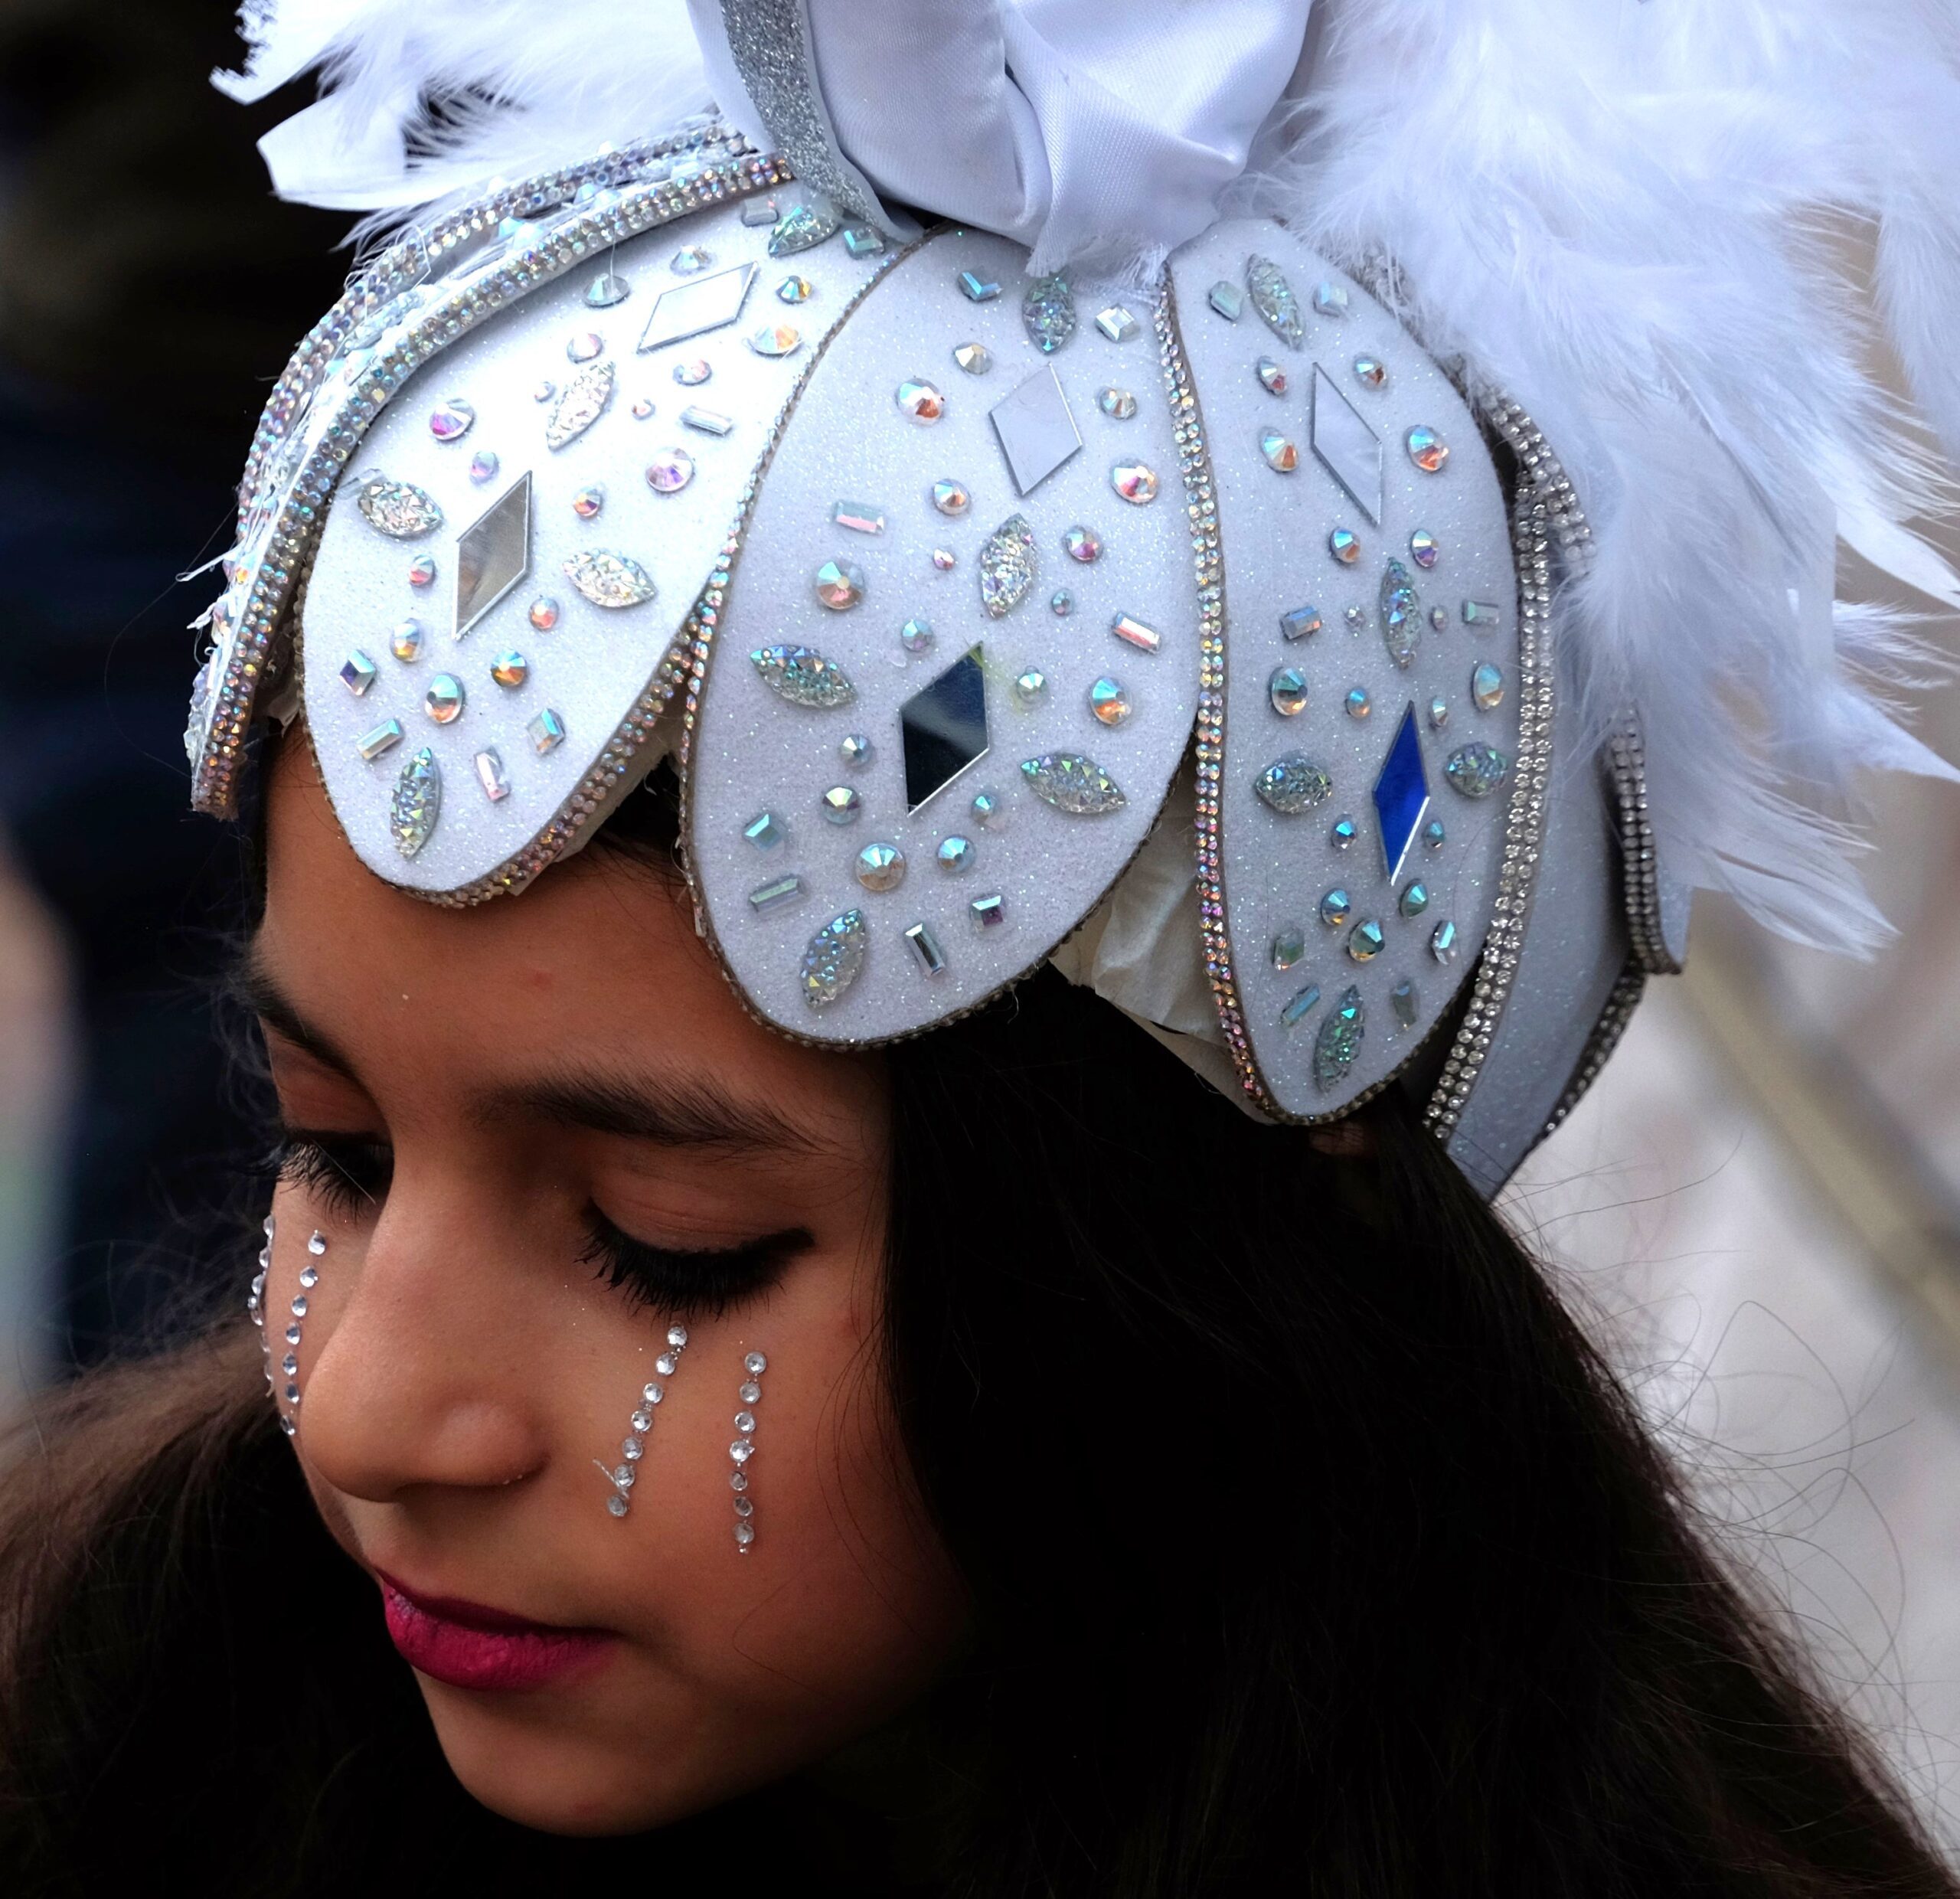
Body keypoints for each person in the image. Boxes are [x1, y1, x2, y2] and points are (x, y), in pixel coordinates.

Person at [5, 2, 1960, 1891]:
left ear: (1210, 1255)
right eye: (333, 1147)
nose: (364, 1404)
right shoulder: (90, 1739)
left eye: (662, 1245)